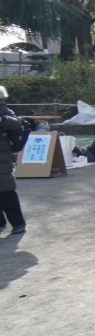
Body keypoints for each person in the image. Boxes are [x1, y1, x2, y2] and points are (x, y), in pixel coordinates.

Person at [0, 86, 27, 234]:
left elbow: (16, 123)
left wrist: (2, 119)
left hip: (2, 155)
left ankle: (18, 223)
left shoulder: (2, 109)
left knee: (5, 189)